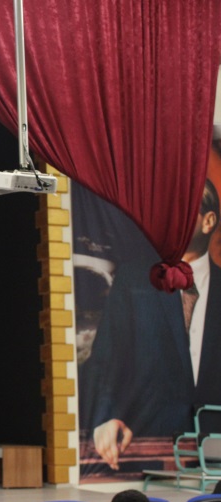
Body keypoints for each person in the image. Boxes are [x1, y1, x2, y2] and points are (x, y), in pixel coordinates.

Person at [80, 178, 221, 469]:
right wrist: (105, 417)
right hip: (145, 451)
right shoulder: (134, 281)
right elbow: (106, 359)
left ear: (208, 221)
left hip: (215, 454)